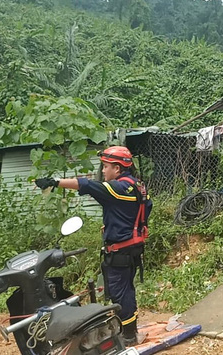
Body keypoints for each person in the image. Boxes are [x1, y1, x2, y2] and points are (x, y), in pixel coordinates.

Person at [35, 146, 153, 346]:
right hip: (132, 249)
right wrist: (120, 224)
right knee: (126, 290)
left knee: (119, 293)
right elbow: (144, 210)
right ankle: (129, 332)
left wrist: (55, 182)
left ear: (117, 168)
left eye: (106, 167)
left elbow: (87, 185)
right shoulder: (138, 186)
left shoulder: (117, 188)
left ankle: (128, 337)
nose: (104, 171)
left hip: (120, 251)